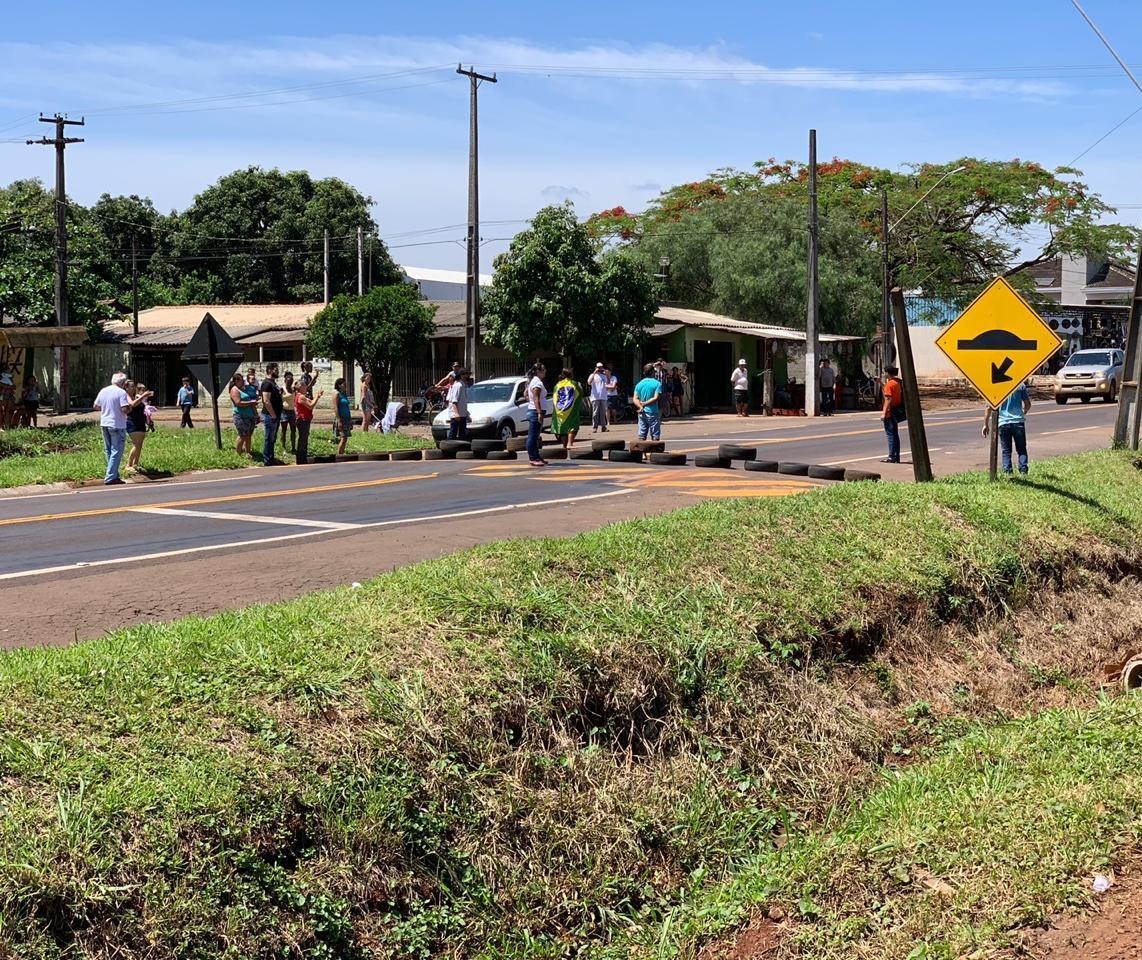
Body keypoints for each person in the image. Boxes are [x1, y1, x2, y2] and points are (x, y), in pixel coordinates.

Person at [983, 380, 1032, 476]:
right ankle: (1023, 470)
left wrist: (985, 424)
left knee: (1006, 450)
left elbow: (988, 408)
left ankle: (1008, 472)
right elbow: (1028, 404)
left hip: (1003, 422)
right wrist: (1023, 412)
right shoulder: (1020, 385)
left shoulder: (996, 386)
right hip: (1018, 421)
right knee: (1021, 448)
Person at [92, 372, 132, 485]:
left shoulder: (104, 391)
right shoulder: (121, 392)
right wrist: (130, 408)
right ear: (123, 383)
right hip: (117, 424)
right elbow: (124, 409)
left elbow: (95, 406)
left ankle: (114, 475)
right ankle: (110, 476)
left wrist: (107, 408)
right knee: (117, 451)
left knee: (109, 450)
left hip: (105, 422)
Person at [258, 363, 284, 466]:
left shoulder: (273, 383)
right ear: (269, 370)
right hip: (269, 416)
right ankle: (267, 460)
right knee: (269, 438)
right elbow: (266, 401)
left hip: (275, 415)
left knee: (273, 439)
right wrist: (273, 415)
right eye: (275, 370)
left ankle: (271, 457)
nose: (277, 371)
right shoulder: (267, 383)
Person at [229, 371, 259, 457]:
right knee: (242, 435)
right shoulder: (234, 390)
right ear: (236, 381)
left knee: (249, 435)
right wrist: (250, 403)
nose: (243, 382)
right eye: (241, 380)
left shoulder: (243, 389)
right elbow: (238, 403)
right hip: (240, 416)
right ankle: (238, 453)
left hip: (249, 415)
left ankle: (248, 452)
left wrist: (255, 414)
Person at [124, 380, 153, 470]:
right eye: (131, 386)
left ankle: (135, 464)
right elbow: (132, 404)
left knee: (139, 445)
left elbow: (144, 410)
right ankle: (128, 465)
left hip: (140, 422)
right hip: (133, 423)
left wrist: (149, 421)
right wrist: (143, 396)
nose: (133, 388)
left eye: (134, 386)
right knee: (136, 445)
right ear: (126, 388)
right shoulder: (126, 396)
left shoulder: (135, 396)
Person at [294, 379, 323, 464]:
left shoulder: (301, 396)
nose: (306, 387)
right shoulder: (301, 396)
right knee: (303, 439)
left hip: (305, 419)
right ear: (300, 387)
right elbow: (311, 406)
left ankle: (303, 457)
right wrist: (317, 397)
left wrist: (317, 397)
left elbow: (311, 402)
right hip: (303, 419)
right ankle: (301, 458)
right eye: (304, 385)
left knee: (304, 438)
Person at [552, 368, 583, 449]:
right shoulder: (574, 384)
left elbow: (555, 396)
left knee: (562, 427)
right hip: (570, 409)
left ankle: (565, 444)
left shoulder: (557, 384)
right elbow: (580, 393)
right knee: (573, 426)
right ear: (571, 375)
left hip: (559, 409)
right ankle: (570, 443)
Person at [881, 364, 905, 464]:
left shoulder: (890, 384)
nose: (884, 374)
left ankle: (891, 456)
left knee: (890, 434)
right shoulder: (898, 382)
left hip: (890, 412)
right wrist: (881, 384)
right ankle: (896, 455)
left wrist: (884, 412)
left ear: (888, 373)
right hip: (897, 410)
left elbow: (888, 398)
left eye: (884, 372)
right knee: (895, 434)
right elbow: (887, 392)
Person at [633, 363, 663, 441]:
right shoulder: (657, 384)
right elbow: (656, 398)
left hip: (642, 413)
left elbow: (635, 398)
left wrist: (640, 406)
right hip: (652, 412)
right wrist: (645, 404)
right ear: (653, 372)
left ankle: (642, 453)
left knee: (642, 436)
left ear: (644, 373)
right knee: (655, 435)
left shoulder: (639, 384)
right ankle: (654, 452)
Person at [525, 362, 548, 466]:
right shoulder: (536, 383)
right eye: (543, 370)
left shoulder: (534, 381)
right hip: (535, 412)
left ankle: (537, 456)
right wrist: (539, 412)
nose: (545, 371)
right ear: (538, 371)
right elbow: (535, 397)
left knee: (536, 435)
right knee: (533, 436)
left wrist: (529, 401)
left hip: (534, 410)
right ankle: (533, 457)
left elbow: (525, 393)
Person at [446, 367, 471, 440]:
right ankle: (449, 449)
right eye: (467, 374)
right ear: (462, 375)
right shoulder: (458, 386)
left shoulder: (463, 386)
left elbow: (463, 403)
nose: (468, 376)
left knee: (462, 435)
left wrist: (467, 415)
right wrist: (456, 414)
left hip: (462, 415)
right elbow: (454, 401)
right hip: (456, 415)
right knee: (453, 434)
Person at [587, 362, 609, 433]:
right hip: (595, 397)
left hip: (603, 396)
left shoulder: (604, 376)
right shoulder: (592, 375)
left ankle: (603, 427)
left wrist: (606, 374)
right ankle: (595, 427)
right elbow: (589, 382)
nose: (600, 369)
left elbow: (608, 383)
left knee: (603, 412)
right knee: (595, 413)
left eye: (601, 367)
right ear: (596, 367)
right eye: (598, 367)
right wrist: (594, 373)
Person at [333, 377, 352, 456]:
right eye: (344, 384)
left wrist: (350, 419)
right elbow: (335, 407)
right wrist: (339, 420)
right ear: (339, 385)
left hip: (346, 418)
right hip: (341, 418)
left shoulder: (344, 394)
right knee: (343, 437)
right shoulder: (337, 394)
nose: (345, 386)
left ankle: (342, 453)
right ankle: (340, 454)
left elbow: (347, 407)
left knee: (345, 438)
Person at [279, 371, 297, 455]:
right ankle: (283, 448)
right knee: (284, 430)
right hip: (284, 411)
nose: (290, 383)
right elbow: (278, 400)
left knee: (293, 430)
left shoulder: (293, 389)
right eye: (288, 381)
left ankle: (293, 448)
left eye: (291, 382)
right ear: (285, 381)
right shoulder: (282, 389)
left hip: (292, 411)